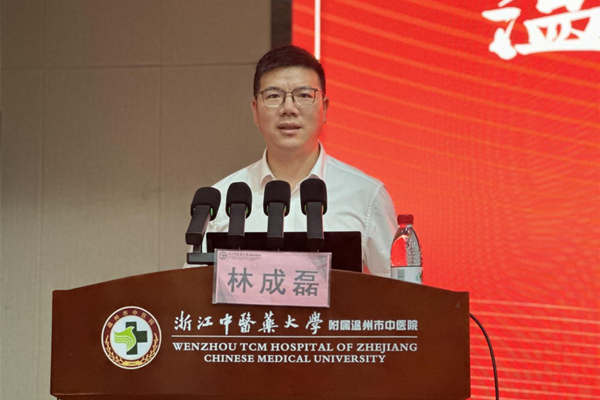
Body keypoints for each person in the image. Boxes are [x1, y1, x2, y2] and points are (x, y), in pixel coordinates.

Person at [205, 45, 397, 277]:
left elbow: (398, 292)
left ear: (324, 108)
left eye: (304, 95)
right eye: (273, 96)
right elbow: (195, 290)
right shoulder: (222, 199)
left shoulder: (366, 196)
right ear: (255, 111)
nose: (289, 108)